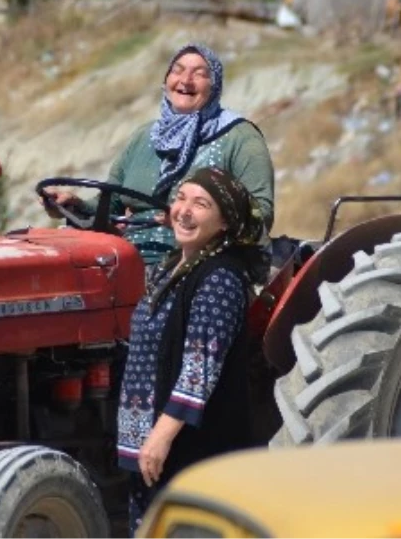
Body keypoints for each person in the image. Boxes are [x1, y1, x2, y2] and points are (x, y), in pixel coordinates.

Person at [116, 167, 265, 535]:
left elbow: (200, 369)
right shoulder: (171, 269)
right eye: (181, 198)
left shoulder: (219, 279)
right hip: (151, 451)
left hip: (190, 450)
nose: (184, 210)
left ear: (225, 222)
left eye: (201, 204)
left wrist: (160, 436)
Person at [43, 42, 274, 267]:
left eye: (199, 74)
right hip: (126, 258)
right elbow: (111, 202)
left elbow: (261, 215)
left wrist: (192, 224)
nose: (185, 80)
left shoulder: (240, 137)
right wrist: (75, 205)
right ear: (166, 81)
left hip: (200, 262)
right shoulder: (144, 136)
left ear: (215, 87)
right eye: (177, 70)